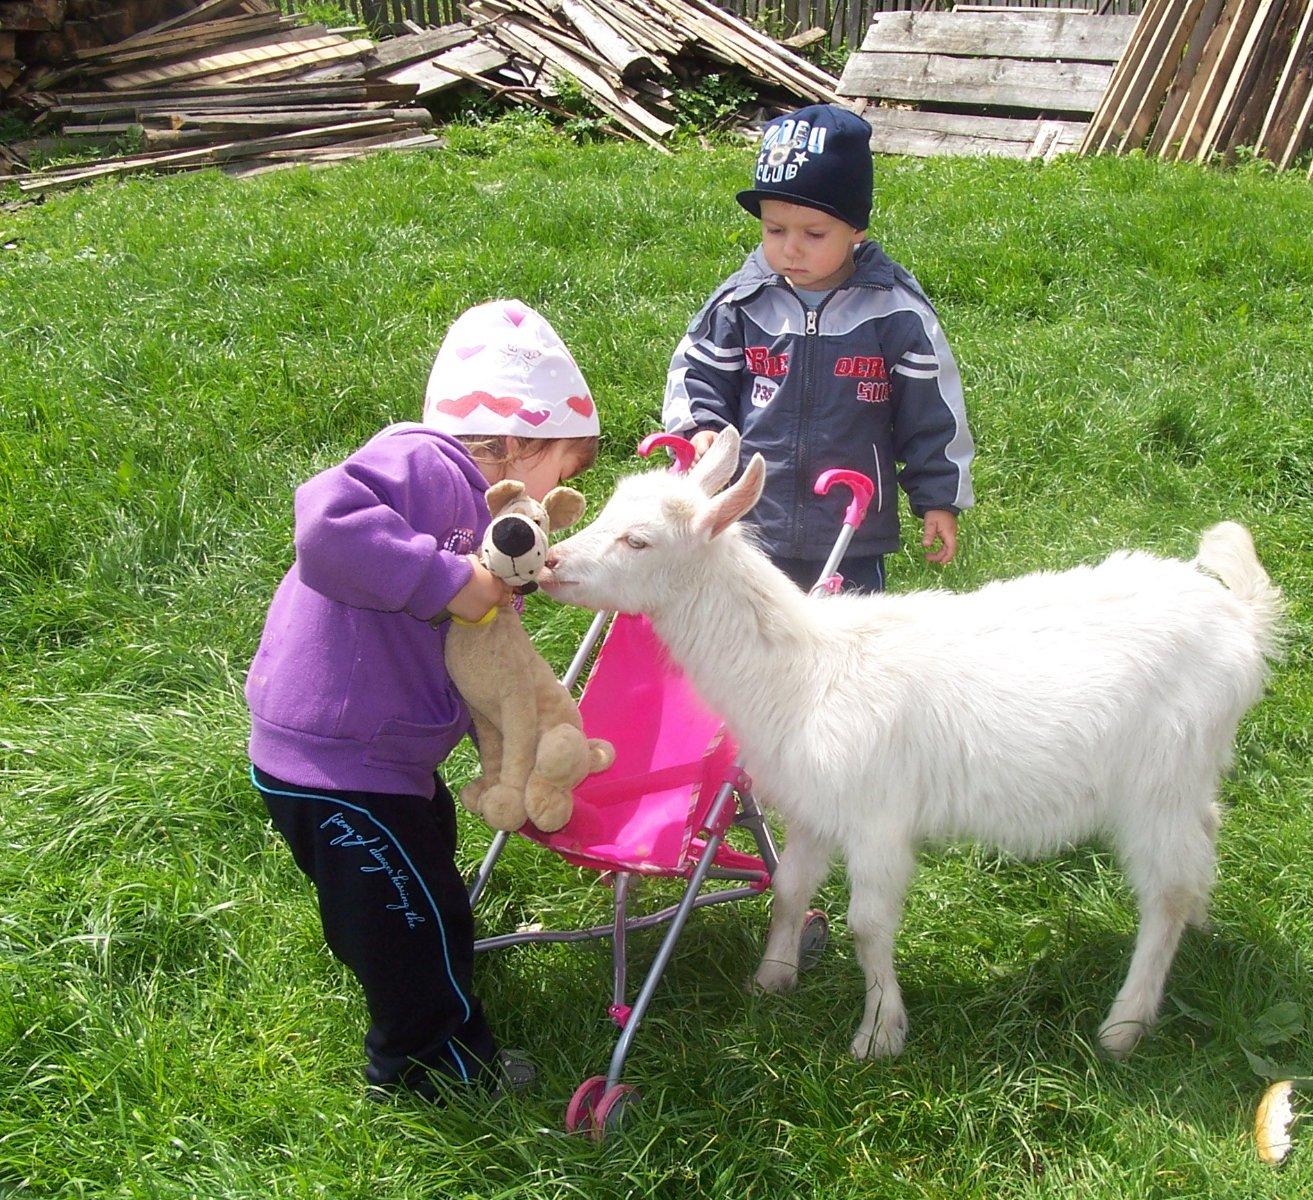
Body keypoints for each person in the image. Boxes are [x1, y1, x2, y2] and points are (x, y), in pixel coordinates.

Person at [245, 299, 600, 1102]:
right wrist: (445, 579)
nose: (555, 496)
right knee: (402, 913)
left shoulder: (480, 517)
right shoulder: (424, 463)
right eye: (562, 472)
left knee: (424, 866)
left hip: (380, 754)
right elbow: (325, 526)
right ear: (518, 443)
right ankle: (428, 1068)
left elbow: (479, 663)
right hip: (337, 763)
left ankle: (430, 963)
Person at [662, 103, 974, 594]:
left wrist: (938, 497)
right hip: (753, 516)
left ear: (856, 229)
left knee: (850, 634)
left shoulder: (895, 312)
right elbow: (698, 372)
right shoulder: (742, 303)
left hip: (852, 522)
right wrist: (701, 428)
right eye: (775, 230)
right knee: (751, 628)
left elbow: (932, 411)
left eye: (814, 233)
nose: (791, 248)